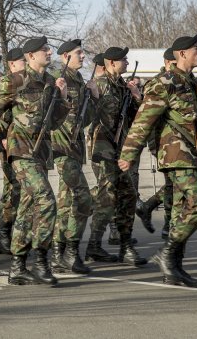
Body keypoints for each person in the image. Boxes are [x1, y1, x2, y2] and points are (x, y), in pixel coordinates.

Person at [0, 36, 68, 286]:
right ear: (30, 56)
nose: (49, 53)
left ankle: (18, 266)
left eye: (48, 49)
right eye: (44, 50)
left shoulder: (49, 82)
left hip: (40, 153)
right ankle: (41, 262)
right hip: (21, 152)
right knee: (46, 200)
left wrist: (62, 97)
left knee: (27, 209)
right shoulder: (15, 81)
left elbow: (54, 122)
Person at [119, 35, 197, 288]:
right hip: (175, 155)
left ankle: (174, 268)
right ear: (182, 53)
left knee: (183, 209)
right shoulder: (165, 82)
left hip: (192, 154)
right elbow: (143, 120)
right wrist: (128, 154)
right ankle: (167, 255)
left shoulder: (191, 82)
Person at [87, 46, 145, 265]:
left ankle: (125, 245)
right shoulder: (98, 86)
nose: (127, 63)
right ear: (111, 63)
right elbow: (88, 117)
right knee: (107, 196)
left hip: (120, 149)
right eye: (123, 60)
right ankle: (94, 245)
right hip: (102, 149)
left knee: (129, 195)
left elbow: (137, 117)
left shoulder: (123, 86)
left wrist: (137, 97)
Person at [49, 39, 98, 274]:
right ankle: (69, 251)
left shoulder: (79, 80)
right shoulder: (58, 80)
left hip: (75, 148)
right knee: (83, 198)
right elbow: (50, 116)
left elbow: (84, 120)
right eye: (78, 53)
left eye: (82, 53)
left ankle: (60, 254)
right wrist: (61, 96)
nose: (83, 57)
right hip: (61, 149)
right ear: (65, 56)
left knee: (67, 203)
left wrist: (94, 98)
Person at [134, 47, 176, 239]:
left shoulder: (180, 80)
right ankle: (168, 224)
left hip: (179, 144)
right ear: (168, 63)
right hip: (162, 142)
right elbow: (148, 118)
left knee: (173, 184)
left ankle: (150, 206)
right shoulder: (158, 83)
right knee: (173, 183)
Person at [0, 47, 25, 255]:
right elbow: (2, 114)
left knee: (16, 189)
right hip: (5, 142)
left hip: (14, 141)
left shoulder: (21, 83)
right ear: (12, 64)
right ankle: (1, 234)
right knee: (12, 189)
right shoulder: (9, 83)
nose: (25, 64)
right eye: (21, 61)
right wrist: (3, 137)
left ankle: (3, 234)